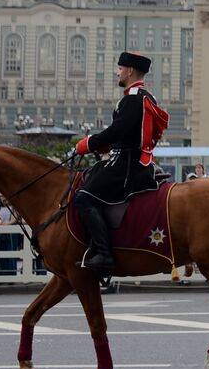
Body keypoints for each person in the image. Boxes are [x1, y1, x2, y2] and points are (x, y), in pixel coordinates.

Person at [71, 51, 169, 272]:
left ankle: (104, 255)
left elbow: (118, 130)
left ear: (130, 71)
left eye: (120, 68)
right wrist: (106, 145)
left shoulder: (134, 97)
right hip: (125, 157)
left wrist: (89, 143)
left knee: (84, 197)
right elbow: (128, 133)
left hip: (126, 164)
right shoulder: (142, 96)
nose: (118, 72)